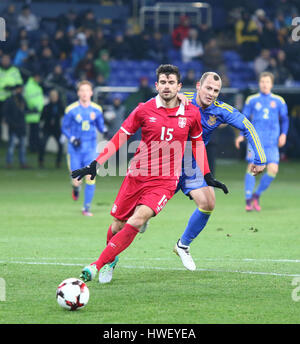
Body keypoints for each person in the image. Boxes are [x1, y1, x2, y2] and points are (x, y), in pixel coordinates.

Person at [71, 64, 228, 284]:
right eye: (163, 82)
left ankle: (96, 265)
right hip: (137, 175)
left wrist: (208, 175)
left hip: (164, 182)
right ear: (156, 85)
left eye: (171, 82)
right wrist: (96, 164)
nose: (167, 86)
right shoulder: (143, 109)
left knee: (138, 219)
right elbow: (120, 136)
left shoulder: (191, 113)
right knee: (117, 224)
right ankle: (111, 259)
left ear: (179, 86)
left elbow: (198, 144)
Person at [173, 71, 266, 271]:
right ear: (198, 86)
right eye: (208, 88)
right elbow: (149, 111)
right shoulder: (179, 98)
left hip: (192, 164)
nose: (212, 93)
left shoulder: (220, 110)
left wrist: (260, 158)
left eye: (216, 90)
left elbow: (247, 126)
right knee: (139, 213)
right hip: (168, 161)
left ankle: (183, 245)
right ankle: (110, 258)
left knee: (208, 202)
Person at [235, 72, 289, 212]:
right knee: (252, 168)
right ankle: (248, 200)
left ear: (271, 84)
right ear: (259, 83)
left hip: (272, 141)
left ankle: (256, 195)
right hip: (255, 140)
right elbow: (244, 118)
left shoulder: (279, 100)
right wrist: (241, 135)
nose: (264, 84)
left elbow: (285, 119)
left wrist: (283, 134)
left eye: (267, 82)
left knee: (273, 170)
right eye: (262, 81)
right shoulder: (252, 100)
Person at [61, 80, 105, 216]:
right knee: (76, 180)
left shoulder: (97, 110)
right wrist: (73, 139)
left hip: (90, 149)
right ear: (78, 93)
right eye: (82, 90)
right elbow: (64, 127)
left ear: (91, 93)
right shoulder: (71, 110)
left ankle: (86, 208)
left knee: (90, 177)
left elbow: (100, 126)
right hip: (75, 151)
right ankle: (75, 188)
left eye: (87, 90)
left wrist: (105, 130)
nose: (85, 93)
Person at [4, 85, 29, 168]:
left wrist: (32, 111)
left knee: (22, 146)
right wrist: (10, 122)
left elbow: (25, 110)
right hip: (13, 126)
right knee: (11, 145)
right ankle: (9, 163)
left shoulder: (23, 100)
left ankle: (23, 163)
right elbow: (6, 113)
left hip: (21, 125)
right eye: (19, 89)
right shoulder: (10, 100)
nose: (20, 91)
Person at [38, 89, 64, 168]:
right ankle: (41, 161)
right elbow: (41, 118)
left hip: (56, 129)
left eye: (54, 96)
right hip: (47, 128)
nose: (53, 97)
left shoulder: (60, 106)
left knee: (60, 145)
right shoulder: (46, 107)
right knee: (42, 144)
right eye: (52, 96)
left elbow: (64, 117)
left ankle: (58, 162)